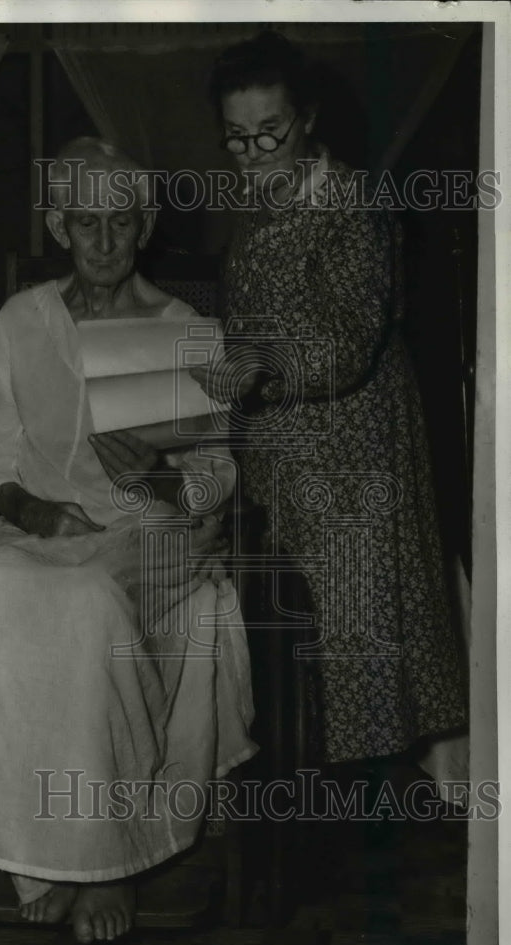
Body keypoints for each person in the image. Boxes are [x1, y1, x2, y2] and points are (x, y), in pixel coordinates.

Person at [0, 137, 257, 944]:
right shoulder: (24, 320)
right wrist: (31, 509)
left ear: (145, 225)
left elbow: (216, 483)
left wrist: (157, 474)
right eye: (86, 222)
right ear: (59, 226)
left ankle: (106, 863)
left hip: (149, 529)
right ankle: (35, 854)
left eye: (121, 221)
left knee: (86, 605)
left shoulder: (180, 327)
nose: (104, 241)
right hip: (45, 525)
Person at [191, 32, 466, 777]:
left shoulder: (353, 203)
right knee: (304, 637)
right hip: (281, 443)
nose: (252, 153)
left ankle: (368, 817)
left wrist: (257, 365)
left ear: (306, 118)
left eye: (269, 133)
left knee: (360, 632)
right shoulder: (254, 208)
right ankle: (323, 803)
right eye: (236, 139)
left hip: (354, 442)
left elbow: (347, 340)